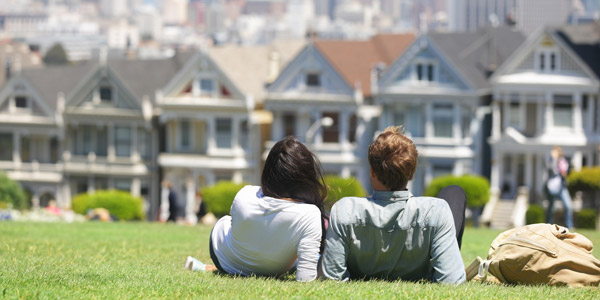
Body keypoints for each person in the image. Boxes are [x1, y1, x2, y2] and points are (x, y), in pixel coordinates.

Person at [322, 126, 466, 284]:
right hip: (424, 268)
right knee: (454, 193)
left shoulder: (345, 209)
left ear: (372, 172)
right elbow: (452, 281)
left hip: (360, 269)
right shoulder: (436, 210)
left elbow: (332, 277)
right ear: (411, 172)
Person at [185, 136, 328, 282]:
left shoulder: (245, 194)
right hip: (275, 267)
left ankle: (212, 267)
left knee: (224, 223)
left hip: (227, 260)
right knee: (310, 254)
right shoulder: (310, 214)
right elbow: (306, 278)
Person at [545, 146, 573, 228]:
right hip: (552, 187)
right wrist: (554, 159)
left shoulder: (563, 162)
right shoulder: (550, 161)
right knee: (551, 207)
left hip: (561, 186)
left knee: (568, 205)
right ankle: (548, 225)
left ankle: (569, 225)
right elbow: (551, 170)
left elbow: (566, 173)